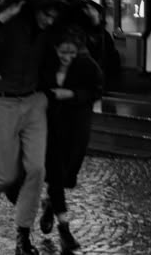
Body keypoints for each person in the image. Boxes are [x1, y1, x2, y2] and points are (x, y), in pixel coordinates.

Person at [0, 0, 65, 255]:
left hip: (34, 102)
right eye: (47, 15)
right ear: (35, 10)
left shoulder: (48, 29)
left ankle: (23, 238)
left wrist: (93, 17)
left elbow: (81, 31)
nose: (49, 21)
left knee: (36, 169)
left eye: (54, 16)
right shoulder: (8, 20)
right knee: (6, 173)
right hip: (3, 103)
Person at [38, 24, 103, 253]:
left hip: (77, 126)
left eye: (71, 53)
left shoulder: (87, 65)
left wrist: (72, 94)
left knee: (68, 175)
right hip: (52, 125)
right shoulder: (47, 64)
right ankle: (64, 230)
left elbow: (96, 90)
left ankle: (49, 203)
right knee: (56, 176)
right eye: (62, 52)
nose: (66, 57)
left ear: (78, 51)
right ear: (55, 49)